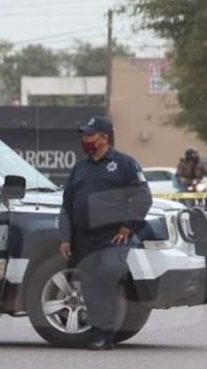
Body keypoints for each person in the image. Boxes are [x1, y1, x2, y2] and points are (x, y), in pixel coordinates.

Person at [59, 116, 152, 350]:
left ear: (104, 138)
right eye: (84, 135)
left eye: (89, 135)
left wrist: (127, 225)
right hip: (84, 238)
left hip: (114, 236)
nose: (85, 139)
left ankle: (108, 329)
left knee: (108, 272)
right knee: (89, 283)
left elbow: (143, 196)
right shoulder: (80, 168)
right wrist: (65, 236)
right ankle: (102, 334)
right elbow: (68, 204)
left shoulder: (125, 164)